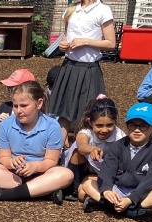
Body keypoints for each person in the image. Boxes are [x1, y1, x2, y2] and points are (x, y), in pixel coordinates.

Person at [0, 80, 73, 204]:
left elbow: (51, 160)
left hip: (42, 173)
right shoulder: (6, 124)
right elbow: (3, 157)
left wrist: (35, 166)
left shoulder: (52, 126)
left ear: (39, 103)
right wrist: (11, 162)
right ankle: (41, 192)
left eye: (24, 106)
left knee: (66, 174)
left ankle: (5, 194)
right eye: (15, 106)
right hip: (13, 175)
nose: (18, 110)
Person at [49, 0, 115, 147]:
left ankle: (83, 150)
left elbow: (111, 43)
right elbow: (66, 36)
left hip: (89, 69)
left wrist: (85, 41)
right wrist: (63, 44)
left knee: (87, 113)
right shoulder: (72, 9)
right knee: (64, 111)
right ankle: (57, 150)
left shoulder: (103, 10)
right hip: (69, 67)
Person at [81, 103, 152, 222]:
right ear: (126, 125)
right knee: (87, 184)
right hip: (117, 189)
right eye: (132, 125)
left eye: (144, 126)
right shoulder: (118, 145)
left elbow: (150, 181)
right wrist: (107, 191)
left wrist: (131, 199)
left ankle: (104, 205)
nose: (137, 130)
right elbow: (107, 171)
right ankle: (137, 213)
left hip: (142, 192)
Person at [65, 94, 125, 201]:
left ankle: (92, 197)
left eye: (109, 125)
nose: (104, 130)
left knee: (82, 194)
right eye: (99, 126)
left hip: (103, 173)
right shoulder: (86, 132)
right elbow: (81, 146)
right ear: (90, 122)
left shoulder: (119, 136)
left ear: (115, 122)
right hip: (83, 169)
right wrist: (92, 149)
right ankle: (74, 186)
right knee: (77, 152)